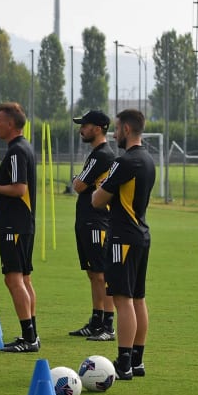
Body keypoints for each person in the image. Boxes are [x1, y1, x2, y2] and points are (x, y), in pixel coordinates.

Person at [92, 109, 155, 380]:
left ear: (126, 130)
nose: (114, 134)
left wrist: (101, 187)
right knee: (138, 299)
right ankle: (137, 361)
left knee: (122, 300)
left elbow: (97, 200)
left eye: (116, 129)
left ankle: (124, 363)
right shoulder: (148, 159)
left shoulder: (124, 161)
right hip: (141, 235)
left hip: (122, 238)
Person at [0, 102, 39, 353]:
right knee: (24, 278)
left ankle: (29, 338)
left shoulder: (16, 152)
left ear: (10, 124)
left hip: (15, 224)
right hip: (23, 223)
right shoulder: (24, 148)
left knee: (13, 279)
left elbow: (19, 189)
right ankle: (32, 333)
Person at [69, 110, 116, 341]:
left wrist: (78, 181)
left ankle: (107, 325)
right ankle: (96, 321)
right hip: (87, 219)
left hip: (97, 220)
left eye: (85, 125)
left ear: (97, 128)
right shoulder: (97, 154)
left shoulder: (102, 155)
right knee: (92, 272)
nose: (81, 129)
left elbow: (78, 185)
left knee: (101, 274)